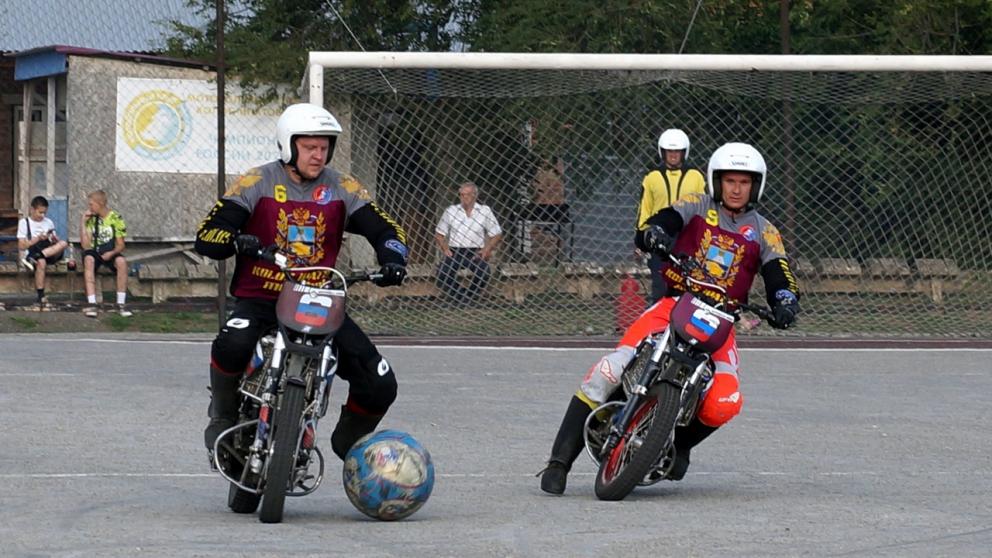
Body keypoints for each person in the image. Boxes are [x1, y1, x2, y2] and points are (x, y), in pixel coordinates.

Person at [540, 142, 801, 495]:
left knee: (727, 398)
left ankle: (678, 446)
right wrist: (655, 233)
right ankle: (559, 462)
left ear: (757, 185)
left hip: (723, 321)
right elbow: (666, 219)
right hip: (676, 303)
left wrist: (785, 300)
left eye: (744, 182)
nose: (737, 189)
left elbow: (778, 273)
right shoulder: (696, 205)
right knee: (609, 369)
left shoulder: (765, 231)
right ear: (716, 181)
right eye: (730, 181)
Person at [194, 102, 409, 462]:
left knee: (380, 384)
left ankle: (349, 445)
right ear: (288, 146)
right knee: (232, 344)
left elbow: (387, 229)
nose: (318, 155)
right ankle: (223, 414)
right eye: (310, 147)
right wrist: (235, 240)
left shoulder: (343, 187)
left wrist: (393, 259)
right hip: (260, 297)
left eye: (324, 148)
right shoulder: (256, 181)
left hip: (320, 300)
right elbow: (208, 235)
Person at [637, 129, 706, 304]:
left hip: (688, 239)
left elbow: (703, 208)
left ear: (684, 152)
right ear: (662, 152)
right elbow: (644, 209)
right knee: (660, 288)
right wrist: (641, 237)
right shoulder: (652, 178)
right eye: (670, 151)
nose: (673, 155)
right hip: (660, 238)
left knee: (689, 287)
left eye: (677, 151)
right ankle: (660, 327)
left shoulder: (696, 177)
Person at [434, 182, 503, 303]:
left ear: (475, 195)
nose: (464, 197)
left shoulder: (484, 211)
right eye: (461, 195)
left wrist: (487, 249)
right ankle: (459, 296)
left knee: (484, 274)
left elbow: (497, 234)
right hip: (455, 251)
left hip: (476, 251)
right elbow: (439, 235)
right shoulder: (451, 211)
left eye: (468, 194)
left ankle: (470, 295)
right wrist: (445, 249)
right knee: (442, 273)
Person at [80, 190, 132, 318]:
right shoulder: (91, 219)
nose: (90, 207)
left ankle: (120, 304)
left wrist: (111, 253)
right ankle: (92, 304)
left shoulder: (115, 218)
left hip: (110, 251)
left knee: (121, 262)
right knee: (88, 260)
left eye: (92, 204)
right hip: (95, 252)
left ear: (101, 203)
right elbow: (86, 245)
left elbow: (121, 245)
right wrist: (83, 222)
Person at [18, 196, 68, 310]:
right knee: (41, 262)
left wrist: (54, 239)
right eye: (40, 212)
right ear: (32, 209)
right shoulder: (24, 223)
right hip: (34, 249)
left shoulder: (49, 222)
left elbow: (55, 240)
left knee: (63, 243)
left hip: (50, 251)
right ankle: (41, 296)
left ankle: (36, 257)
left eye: (45, 213)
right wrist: (37, 239)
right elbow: (21, 246)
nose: (43, 216)